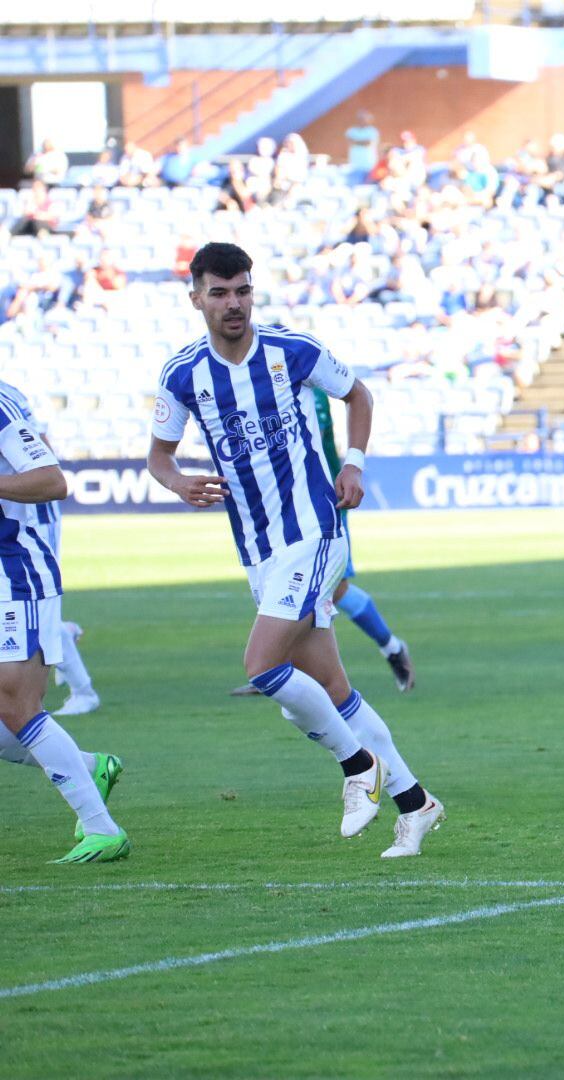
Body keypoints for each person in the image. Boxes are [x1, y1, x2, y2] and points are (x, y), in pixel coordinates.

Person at [145, 242, 443, 857]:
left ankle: (358, 765)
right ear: (195, 296)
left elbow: (358, 394)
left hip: (314, 529)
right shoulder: (182, 376)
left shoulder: (292, 351)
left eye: (243, 290)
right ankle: (416, 805)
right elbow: (159, 455)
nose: (234, 303)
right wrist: (177, 482)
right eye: (220, 292)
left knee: (261, 666)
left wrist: (354, 464)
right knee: (329, 686)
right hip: (258, 547)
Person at [0, 383, 128, 862]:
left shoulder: (2, 406)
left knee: (17, 703)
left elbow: (52, 480)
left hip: (14, 571)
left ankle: (103, 830)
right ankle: (89, 767)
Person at [232, 386, 415, 696]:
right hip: (277, 507)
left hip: (321, 501)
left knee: (335, 587)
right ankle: (275, 664)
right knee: (280, 577)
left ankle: (392, 648)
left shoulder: (305, 390)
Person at [0, 381, 100, 716]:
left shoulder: (6, 396)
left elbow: (42, 453)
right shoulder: (11, 391)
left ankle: (82, 689)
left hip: (30, 513)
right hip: (21, 509)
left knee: (30, 598)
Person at [346, 111, 380, 179]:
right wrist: (363, 142)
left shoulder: (372, 131)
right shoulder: (351, 131)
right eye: (360, 119)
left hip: (369, 164)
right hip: (355, 164)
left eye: (364, 119)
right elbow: (351, 142)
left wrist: (356, 141)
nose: (362, 120)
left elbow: (368, 144)